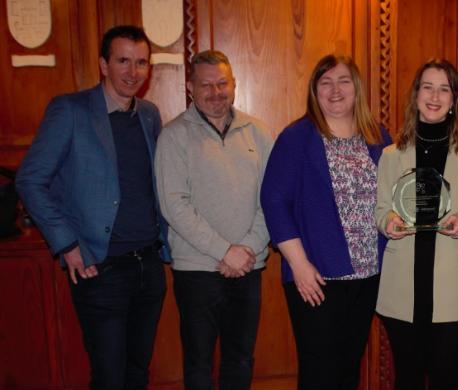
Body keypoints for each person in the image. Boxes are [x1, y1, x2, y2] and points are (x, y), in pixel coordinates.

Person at [16, 25, 169, 389]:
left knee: (137, 372)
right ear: (103, 64)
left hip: (148, 265)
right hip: (100, 269)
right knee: (109, 377)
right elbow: (30, 180)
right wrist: (66, 244)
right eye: (123, 61)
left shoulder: (149, 114)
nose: (133, 72)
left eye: (142, 63)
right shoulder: (70, 110)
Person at [261, 54, 391, 390]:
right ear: (314, 91)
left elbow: (394, 195)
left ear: (356, 88)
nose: (335, 90)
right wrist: (299, 265)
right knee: (320, 373)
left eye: (344, 80)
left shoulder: (377, 136)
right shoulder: (297, 137)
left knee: (349, 369)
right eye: (325, 82)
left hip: (368, 275)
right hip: (315, 277)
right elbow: (274, 202)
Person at [154, 50, 272, 389]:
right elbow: (174, 206)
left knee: (240, 360)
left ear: (234, 85)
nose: (215, 92)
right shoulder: (174, 136)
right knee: (199, 365)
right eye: (206, 85)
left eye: (222, 83)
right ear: (190, 87)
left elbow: (274, 200)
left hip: (248, 267)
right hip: (196, 271)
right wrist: (225, 251)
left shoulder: (259, 132)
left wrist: (246, 249)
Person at [375, 59, 458, 390]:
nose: (435, 96)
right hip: (403, 286)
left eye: (444, 89)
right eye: (428, 87)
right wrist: (390, 222)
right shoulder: (391, 155)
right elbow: (381, 209)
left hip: (454, 286)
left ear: (454, 99)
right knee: (407, 380)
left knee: (445, 380)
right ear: (416, 95)